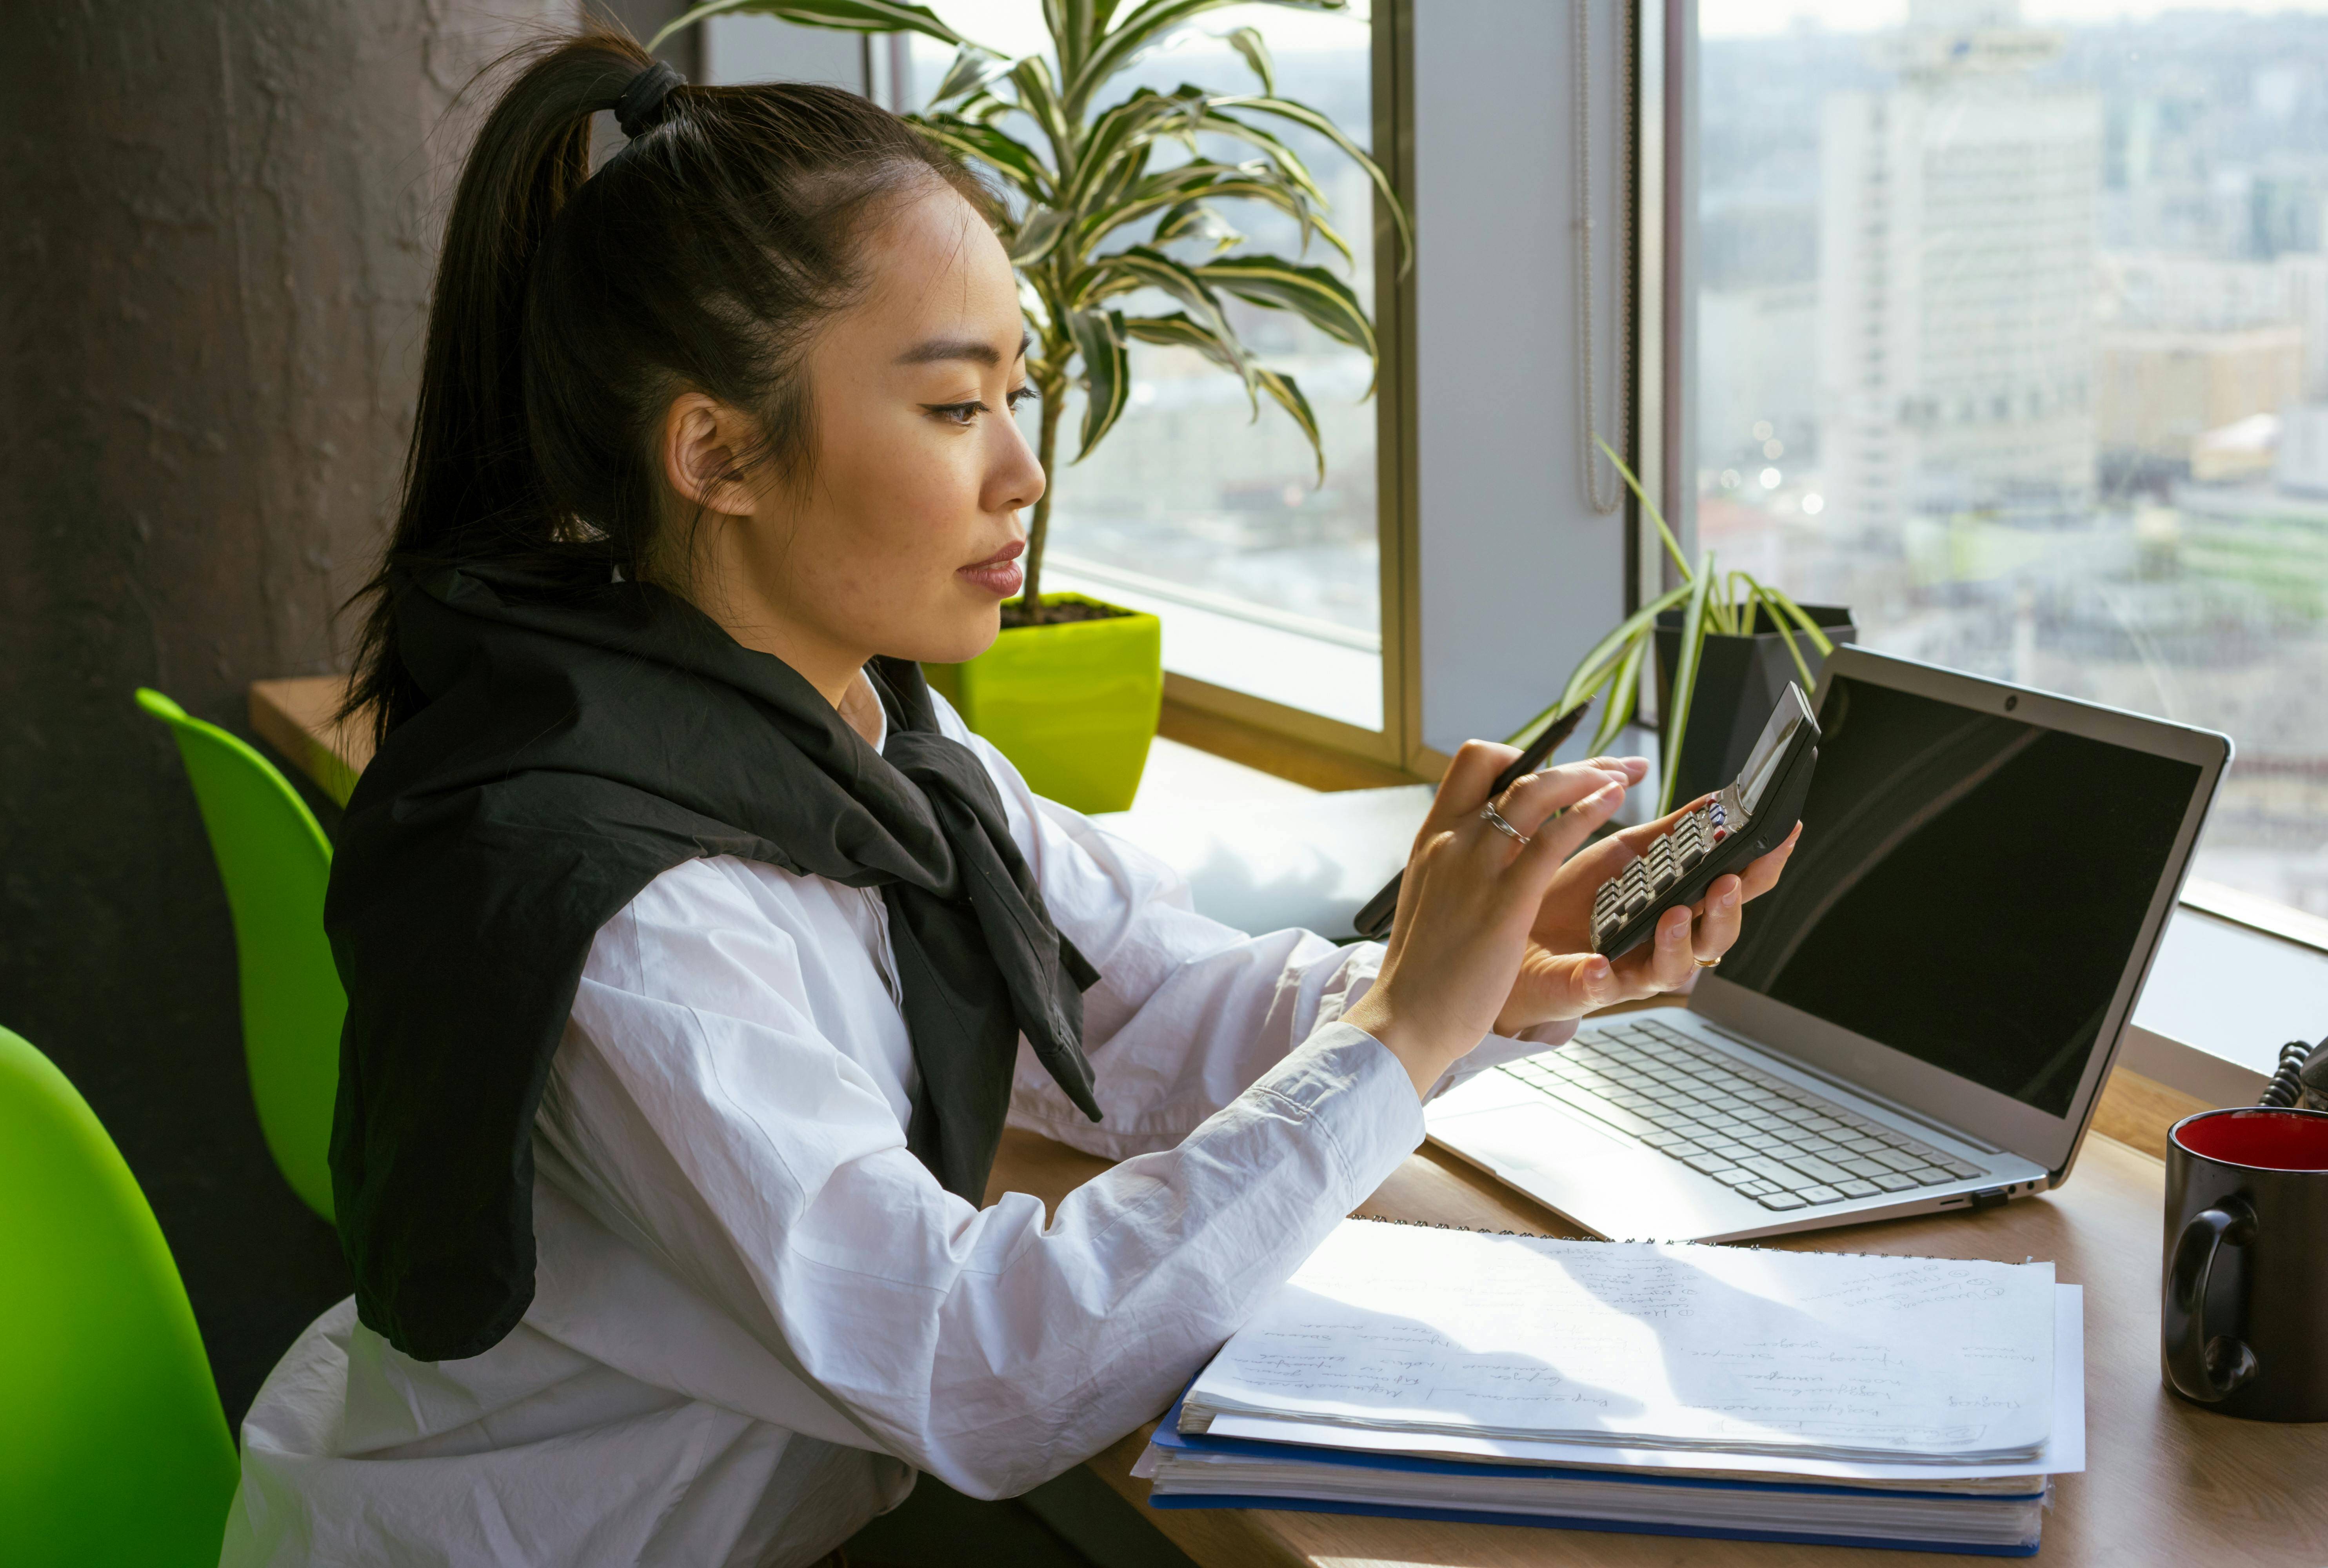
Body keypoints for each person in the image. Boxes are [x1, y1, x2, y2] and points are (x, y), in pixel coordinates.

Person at [218, 27, 1798, 1568]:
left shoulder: (865, 739)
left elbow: (1144, 1005)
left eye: (1014, 394)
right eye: (955, 405)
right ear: (719, 452)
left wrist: (1476, 975)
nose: (1023, 471)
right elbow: (981, 1368)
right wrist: (1397, 1035)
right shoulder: (639, 912)